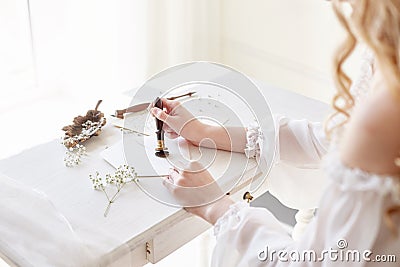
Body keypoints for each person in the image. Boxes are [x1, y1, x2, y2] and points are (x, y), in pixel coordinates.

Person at [150, 0, 400, 265]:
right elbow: (333, 144)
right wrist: (207, 133)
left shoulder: (385, 107)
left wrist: (216, 206)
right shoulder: (388, 55)